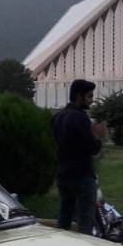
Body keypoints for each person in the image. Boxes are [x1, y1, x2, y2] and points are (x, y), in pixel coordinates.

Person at [51, 79, 107, 233]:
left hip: (63, 175)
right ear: (79, 96)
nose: (91, 100)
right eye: (89, 96)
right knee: (85, 221)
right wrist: (98, 136)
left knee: (64, 217)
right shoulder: (80, 117)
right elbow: (93, 148)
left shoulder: (58, 117)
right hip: (81, 176)